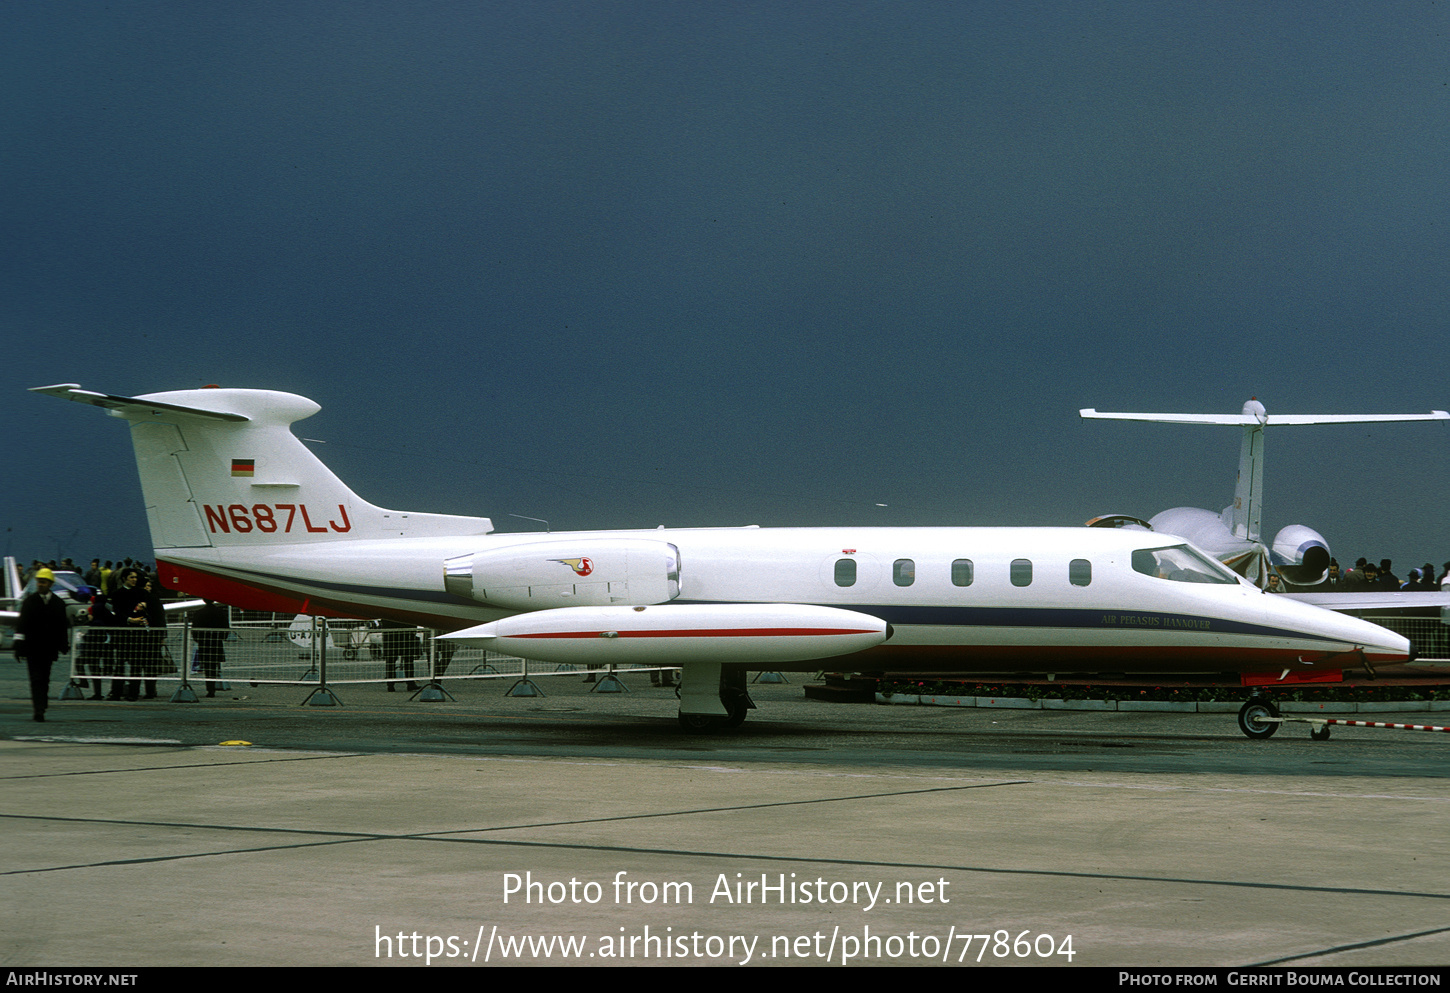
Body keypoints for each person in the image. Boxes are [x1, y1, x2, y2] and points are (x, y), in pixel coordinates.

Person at [14, 568, 71, 721]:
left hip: (49, 648)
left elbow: (62, 626)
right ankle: (38, 709)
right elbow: (21, 625)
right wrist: (18, 646)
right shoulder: (29, 602)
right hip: (32, 648)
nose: (40, 584)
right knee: (36, 678)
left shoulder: (58, 604)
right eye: (39, 581)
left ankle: (42, 704)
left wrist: (63, 644)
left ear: (50, 584)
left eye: (43, 582)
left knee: (45, 678)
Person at [192, 600, 229, 697]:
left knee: (207, 667)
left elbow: (194, 628)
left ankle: (210, 689)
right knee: (214, 665)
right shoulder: (220, 612)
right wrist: (223, 637)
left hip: (204, 642)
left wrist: (197, 639)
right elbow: (226, 626)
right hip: (216, 641)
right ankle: (213, 687)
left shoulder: (199, 613)